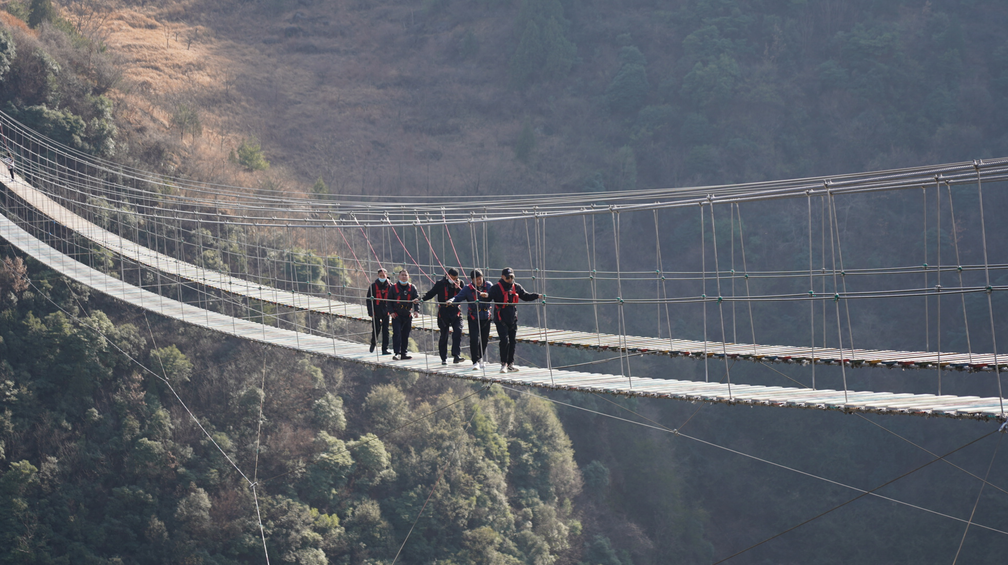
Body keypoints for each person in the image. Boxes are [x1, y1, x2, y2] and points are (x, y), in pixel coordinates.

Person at [487, 267, 540, 373]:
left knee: (512, 342)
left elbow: (525, 296)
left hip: (512, 319)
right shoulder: (496, 288)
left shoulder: (516, 287)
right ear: (502, 277)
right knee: (504, 341)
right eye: (508, 277)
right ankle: (503, 364)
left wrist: (537, 296)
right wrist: (484, 296)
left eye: (512, 277)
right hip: (500, 319)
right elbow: (489, 297)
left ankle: (510, 364)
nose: (510, 279)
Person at [448, 269, 493, 371]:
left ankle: (480, 357)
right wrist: (451, 301)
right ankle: (475, 361)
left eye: (480, 278)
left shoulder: (489, 286)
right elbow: (458, 297)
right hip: (473, 317)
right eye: (476, 279)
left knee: (484, 339)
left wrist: (488, 295)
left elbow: (495, 294)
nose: (479, 281)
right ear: (472, 280)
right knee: (474, 339)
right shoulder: (468, 289)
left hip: (486, 317)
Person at [423, 267, 464, 365]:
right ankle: (443, 358)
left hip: (455, 311)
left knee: (458, 331)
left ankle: (456, 355)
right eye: (452, 277)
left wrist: (458, 288)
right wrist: (421, 299)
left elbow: (463, 295)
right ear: (447, 275)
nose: (453, 280)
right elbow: (431, 293)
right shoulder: (440, 284)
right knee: (444, 335)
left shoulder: (460, 283)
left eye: (455, 278)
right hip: (444, 312)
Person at [388, 268, 420, 360]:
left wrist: (416, 310)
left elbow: (416, 300)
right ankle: (396, 353)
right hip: (397, 314)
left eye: (406, 275)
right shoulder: (393, 287)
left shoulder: (412, 287)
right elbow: (389, 301)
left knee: (405, 334)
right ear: (399, 276)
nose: (404, 277)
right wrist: (391, 312)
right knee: (397, 333)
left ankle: (403, 353)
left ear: (408, 277)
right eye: (402, 275)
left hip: (407, 314)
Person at [366, 268, 392, 354]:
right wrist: (370, 312)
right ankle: (373, 343)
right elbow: (368, 300)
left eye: (383, 275)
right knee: (376, 329)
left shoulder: (390, 286)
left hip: (386, 310)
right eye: (380, 276)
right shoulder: (373, 286)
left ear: (386, 275)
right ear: (378, 276)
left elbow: (394, 299)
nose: (382, 277)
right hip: (376, 310)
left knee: (386, 330)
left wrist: (392, 311)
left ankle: (385, 349)